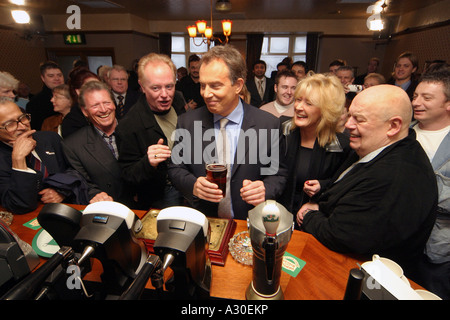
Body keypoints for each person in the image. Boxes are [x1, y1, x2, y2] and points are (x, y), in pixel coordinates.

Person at [296, 84, 438, 280]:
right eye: (350, 116)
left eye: (359, 119)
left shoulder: (395, 175)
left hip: (364, 281)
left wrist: (310, 215)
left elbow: (340, 235)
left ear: (393, 126)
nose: (348, 125)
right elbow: (347, 184)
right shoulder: (377, 146)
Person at [168, 45, 288, 220]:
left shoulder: (268, 124)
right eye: (203, 85)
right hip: (204, 220)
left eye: (215, 86)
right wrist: (193, 185)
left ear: (238, 85)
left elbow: (279, 174)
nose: (206, 94)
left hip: (248, 222)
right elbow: (175, 167)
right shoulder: (187, 122)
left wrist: (266, 189)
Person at [278, 73, 351, 223]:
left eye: (309, 103)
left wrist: (322, 189)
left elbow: (345, 188)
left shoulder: (341, 146)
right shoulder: (280, 129)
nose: (298, 107)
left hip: (312, 224)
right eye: (298, 100)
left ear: (326, 110)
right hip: (276, 219)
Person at [116, 53, 185, 210]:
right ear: (142, 86)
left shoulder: (179, 100)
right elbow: (127, 175)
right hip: (163, 193)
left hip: (187, 181)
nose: (165, 95)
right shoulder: (129, 125)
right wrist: (148, 162)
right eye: (156, 88)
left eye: (169, 86)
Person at [0, 98, 84, 214]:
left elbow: (77, 169)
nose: (22, 126)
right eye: (10, 124)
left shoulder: (49, 138)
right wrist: (18, 160)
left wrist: (61, 190)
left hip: (66, 210)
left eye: (22, 118)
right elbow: (19, 205)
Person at [62, 81, 133, 207]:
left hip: (143, 207)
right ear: (85, 111)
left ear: (114, 103)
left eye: (107, 103)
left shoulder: (134, 128)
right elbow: (82, 182)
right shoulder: (73, 145)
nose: (103, 109)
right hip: (109, 209)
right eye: (95, 105)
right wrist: (95, 194)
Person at [411, 69, 450, 299]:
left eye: (427, 98)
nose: (416, 102)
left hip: (438, 251)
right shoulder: (403, 133)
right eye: (415, 96)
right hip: (400, 241)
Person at [61, 67, 100, 138]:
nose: (97, 91)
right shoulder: (71, 122)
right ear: (78, 91)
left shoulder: (107, 110)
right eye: (91, 87)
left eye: (99, 86)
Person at [26, 61, 64, 130]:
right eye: (51, 76)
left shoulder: (73, 96)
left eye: (59, 75)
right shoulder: (34, 103)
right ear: (43, 78)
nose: (57, 78)